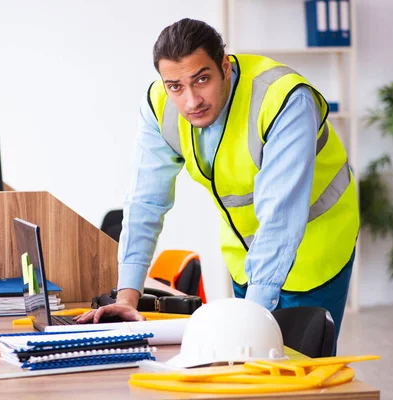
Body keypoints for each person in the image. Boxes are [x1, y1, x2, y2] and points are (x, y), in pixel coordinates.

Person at [74, 18, 359, 344]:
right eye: (175, 86)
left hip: (317, 248)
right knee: (251, 370)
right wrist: (126, 297)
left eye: (202, 79)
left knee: (293, 375)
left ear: (224, 66)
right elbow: (144, 202)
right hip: (246, 253)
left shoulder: (282, 99)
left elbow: (281, 217)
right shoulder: (159, 106)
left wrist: (253, 317)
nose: (191, 101)